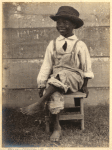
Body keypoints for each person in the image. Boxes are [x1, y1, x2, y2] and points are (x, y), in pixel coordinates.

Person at [20, 6, 94, 141]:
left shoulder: (80, 44)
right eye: (58, 22)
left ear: (74, 25)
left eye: (65, 22)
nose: (61, 25)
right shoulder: (52, 44)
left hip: (75, 78)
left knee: (61, 75)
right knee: (54, 89)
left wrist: (85, 85)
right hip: (57, 80)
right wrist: (41, 84)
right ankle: (57, 127)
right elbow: (46, 65)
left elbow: (86, 66)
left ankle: (40, 103)